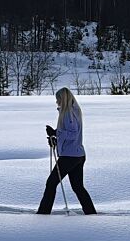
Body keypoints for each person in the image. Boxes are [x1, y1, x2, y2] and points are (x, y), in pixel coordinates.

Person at [37, 87, 96, 215]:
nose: (57, 102)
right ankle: (91, 213)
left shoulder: (68, 112)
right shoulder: (74, 111)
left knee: (51, 183)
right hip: (78, 154)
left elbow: (72, 134)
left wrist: (56, 133)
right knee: (78, 187)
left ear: (63, 99)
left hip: (70, 156)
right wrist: (56, 139)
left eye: (58, 99)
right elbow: (69, 136)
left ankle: (43, 213)